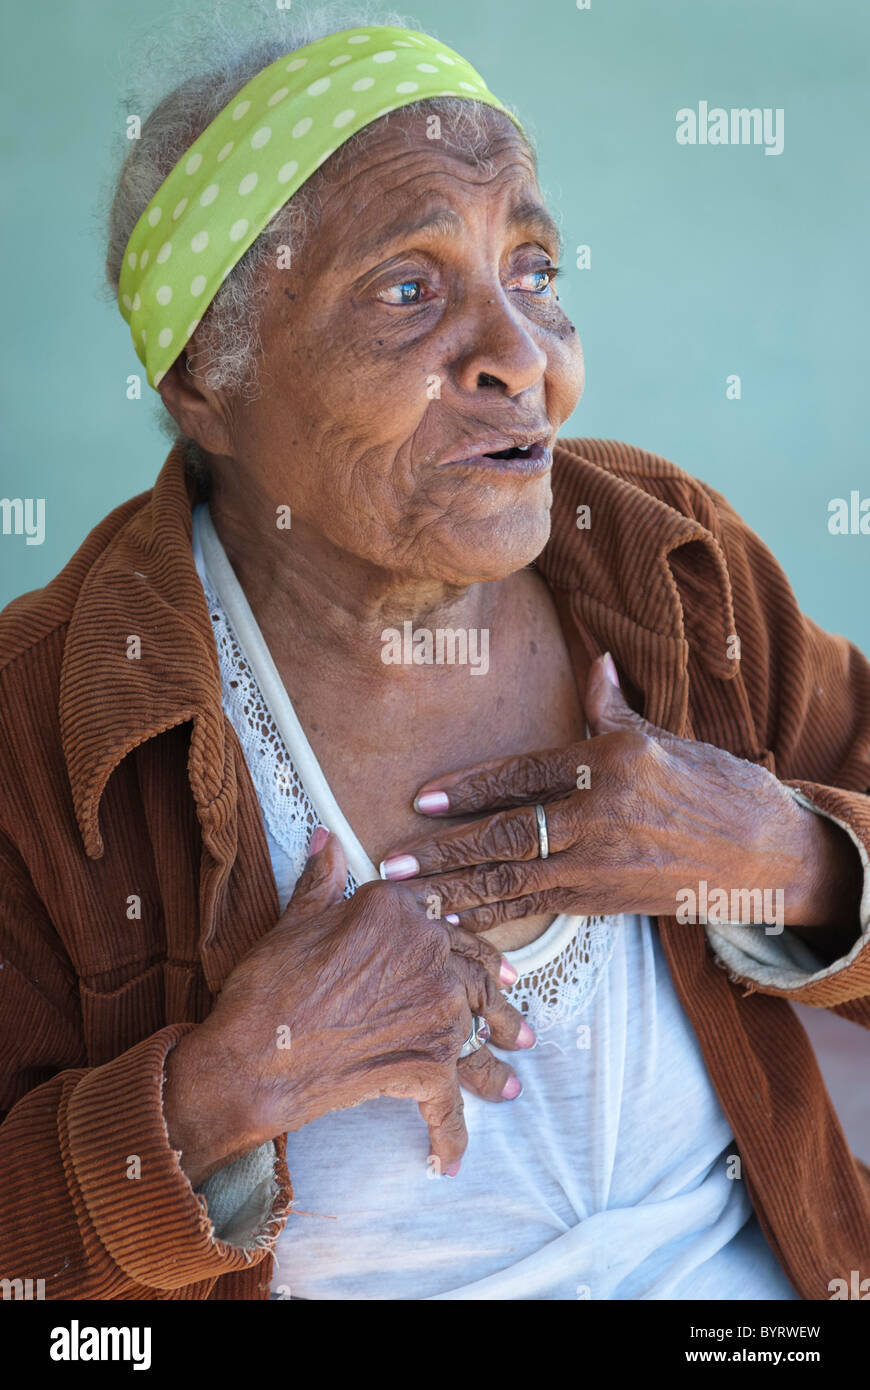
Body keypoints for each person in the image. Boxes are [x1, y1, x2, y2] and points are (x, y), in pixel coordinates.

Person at [1, 9, 869, 1301]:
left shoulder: (667, 560)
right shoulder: (43, 723)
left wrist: (789, 860)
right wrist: (227, 1086)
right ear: (205, 376)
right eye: (408, 289)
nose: (525, 361)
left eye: (533, 270)